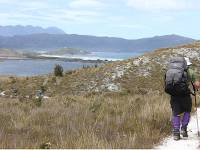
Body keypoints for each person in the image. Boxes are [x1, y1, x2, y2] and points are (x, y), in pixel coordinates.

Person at [165, 57, 200, 140]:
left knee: (175, 112)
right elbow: (197, 84)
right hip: (185, 95)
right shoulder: (190, 71)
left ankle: (176, 133)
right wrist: (196, 88)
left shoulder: (170, 70)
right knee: (187, 111)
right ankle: (184, 129)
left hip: (173, 95)